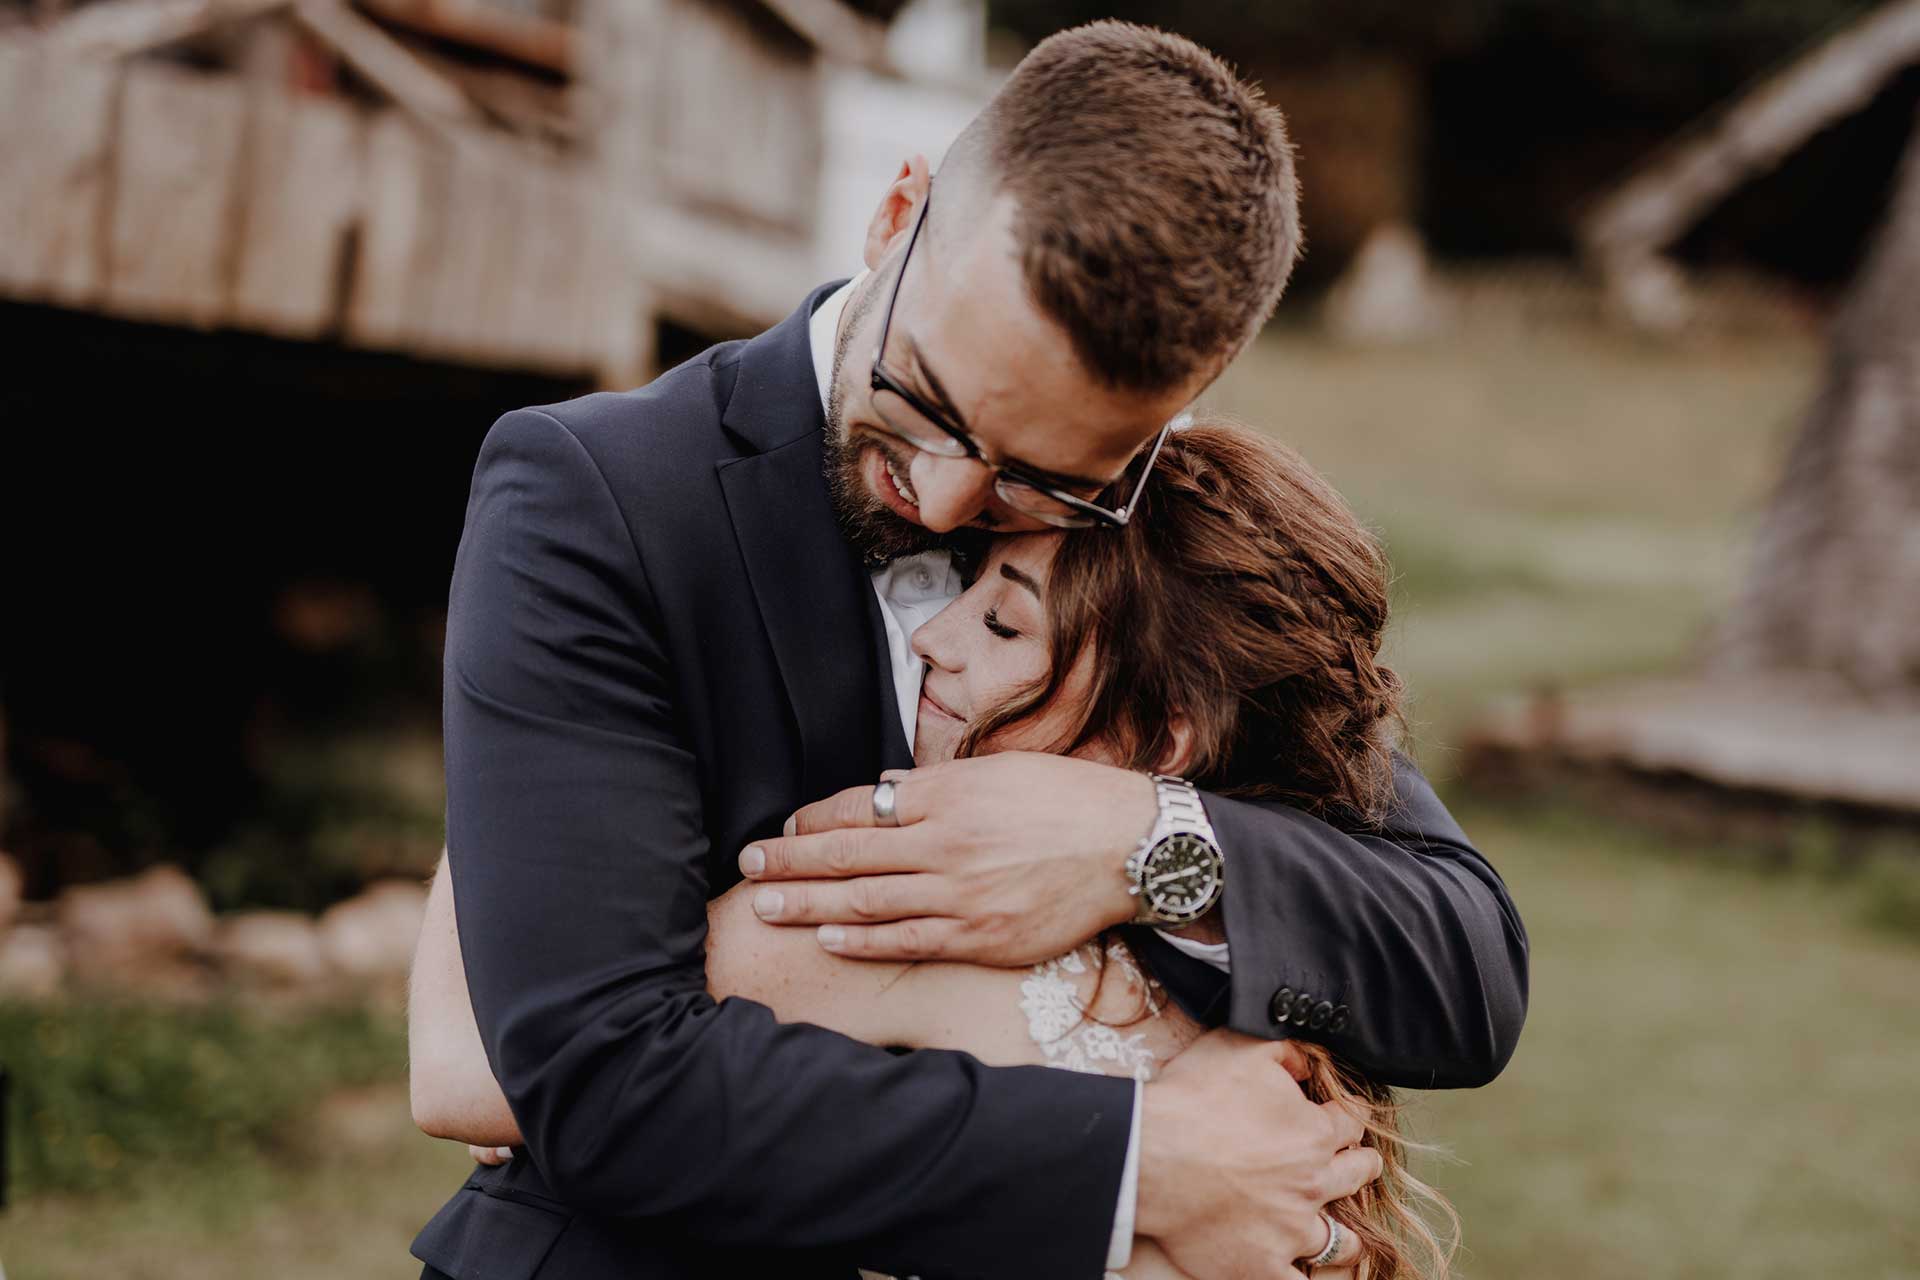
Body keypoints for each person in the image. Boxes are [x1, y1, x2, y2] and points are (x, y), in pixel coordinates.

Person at [412, 21, 1527, 1280]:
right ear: (896, 217)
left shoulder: (1164, 520)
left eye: (1047, 481)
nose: (941, 499)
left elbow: (1464, 960)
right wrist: (1136, 1161)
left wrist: (1140, 845)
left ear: (1168, 420)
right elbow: (593, 1071)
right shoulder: (598, 496)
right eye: (929, 399)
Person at [412, 418, 1462, 1278]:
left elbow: (477, 1064)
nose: (933, 637)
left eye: (1004, 627)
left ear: (1162, 731)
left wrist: (546, 725)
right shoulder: (1296, 1021)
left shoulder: (911, 901)